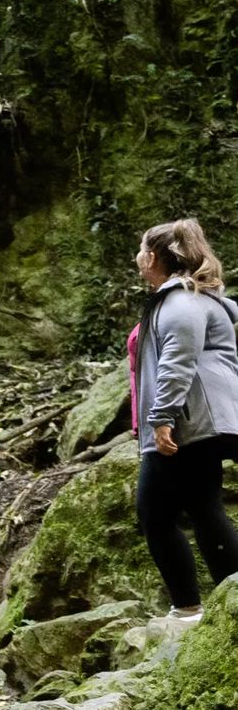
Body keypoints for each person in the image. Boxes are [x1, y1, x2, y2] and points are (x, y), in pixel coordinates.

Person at [131, 219, 238, 622]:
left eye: (141, 250)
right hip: (202, 420)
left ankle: (188, 609)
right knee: (202, 505)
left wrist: (161, 419)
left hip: (192, 421)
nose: (137, 259)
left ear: (153, 256)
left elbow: (178, 364)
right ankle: (223, 602)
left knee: (154, 514)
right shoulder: (188, 299)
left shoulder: (181, 302)